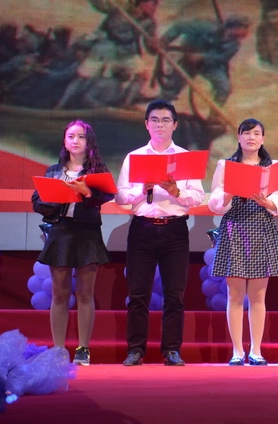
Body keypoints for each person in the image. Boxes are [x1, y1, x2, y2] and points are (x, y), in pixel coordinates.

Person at [115, 100, 205, 366]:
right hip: (142, 229)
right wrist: (141, 190)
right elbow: (121, 196)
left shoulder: (185, 158)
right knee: (138, 293)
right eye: (154, 120)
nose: (160, 125)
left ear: (175, 125)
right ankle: (135, 350)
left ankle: (172, 350)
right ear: (146, 124)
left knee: (175, 294)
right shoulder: (134, 157)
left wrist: (176, 191)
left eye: (166, 120)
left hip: (174, 230)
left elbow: (197, 196)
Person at [31, 120, 114, 366]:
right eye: (70, 136)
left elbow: (106, 195)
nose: (75, 141)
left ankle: (83, 349)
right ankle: (58, 349)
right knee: (59, 293)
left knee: (85, 293)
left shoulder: (97, 171)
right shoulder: (54, 171)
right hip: (61, 233)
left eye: (81, 136)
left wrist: (86, 191)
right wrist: (58, 195)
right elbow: (37, 202)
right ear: (64, 141)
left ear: (89, 142)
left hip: (88, 234)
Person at [208, 118, 278, 366]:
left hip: (261, 228)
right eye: (246, 133)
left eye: (256, 133)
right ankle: (236, 352)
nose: (251, 137)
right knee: (234, 295)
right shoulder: (226, 165)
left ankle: (256, 351)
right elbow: (214, 203)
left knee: (258, 296)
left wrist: (268, 202)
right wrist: (230, 192)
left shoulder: (272, 166)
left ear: (263, 139)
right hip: (234, 228)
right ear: (239, 137)